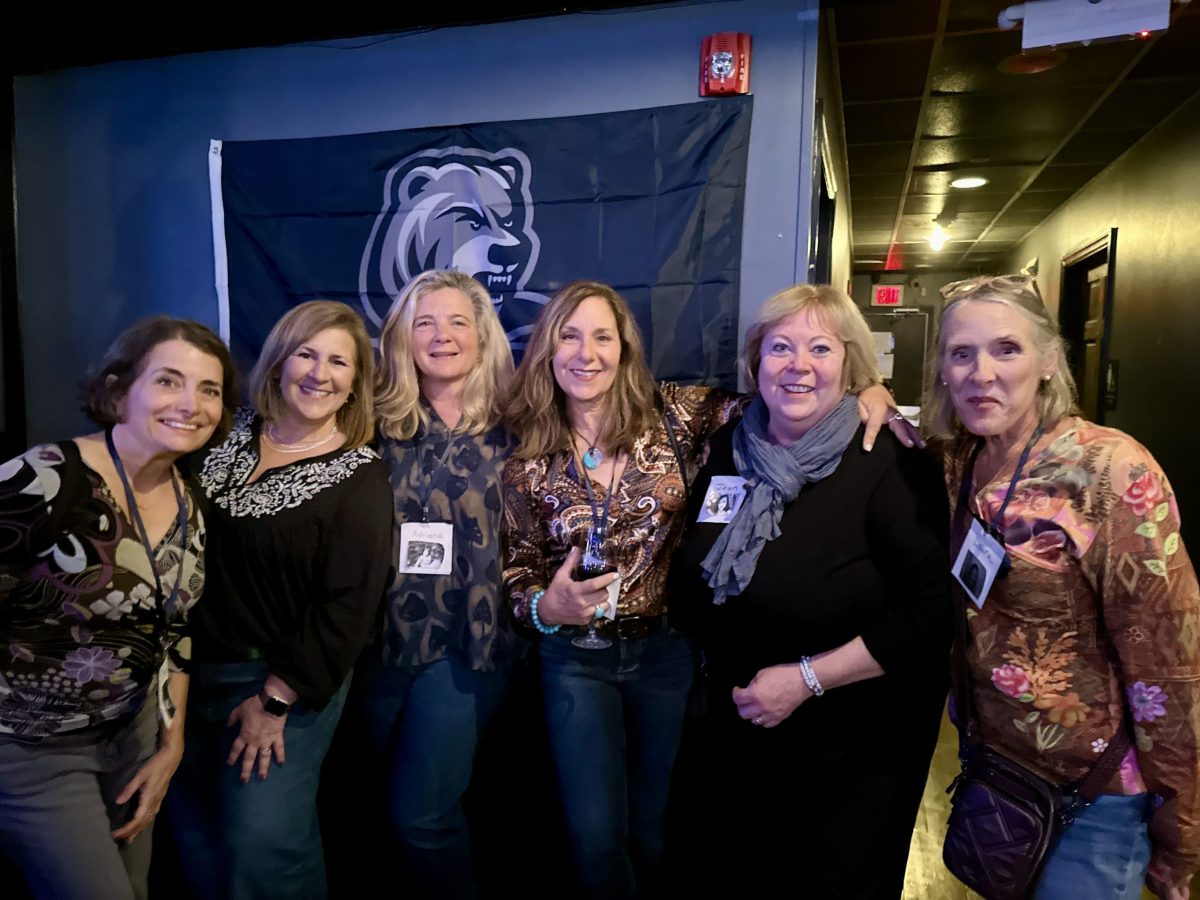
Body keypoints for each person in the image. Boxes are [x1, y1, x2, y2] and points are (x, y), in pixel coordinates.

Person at [500, 280, 906, 898]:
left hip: (667, 656)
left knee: (662, 828)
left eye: (602, 337)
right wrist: (543, 606)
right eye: (569, 336)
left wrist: (868, 388)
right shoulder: (526, 452)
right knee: (593, 835)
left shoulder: (675, 413)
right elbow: (517, 571)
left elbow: (785, 395)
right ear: (547, 351)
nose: (586, 354)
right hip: (574, 662)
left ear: (624, 348)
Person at [667, 283, 952, 898]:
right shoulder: (731, 447)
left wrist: (803, 680)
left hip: (850, 748)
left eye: (820, 348)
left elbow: (931, 613)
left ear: (850, 364)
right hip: (738, 732)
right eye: (780, 348)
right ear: (754, 362)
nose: (798, 366)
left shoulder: (890, 458)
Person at [931, 274, 1200, 900]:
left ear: (1050, 361)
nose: (982, 373)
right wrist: (867, 396)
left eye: (1007, 349)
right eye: (961, 353)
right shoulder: (954, 461)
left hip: (1095, 793)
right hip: (996, 770)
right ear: (941, 368)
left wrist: (1181, 827)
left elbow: (1171, 663)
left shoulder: (1108, 471)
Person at [0, 317, 236, 900]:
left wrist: (171, 741)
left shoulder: (189, 499)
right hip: (35, 750)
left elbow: (174, 630)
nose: (191, 404)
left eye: (209, 389)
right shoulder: (49, 478)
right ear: (118, 390)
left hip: (133, 743)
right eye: (168, 382)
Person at [168, 301, 392, 899]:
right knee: (195, 838)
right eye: (306, 354)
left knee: (264, 848)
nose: (319, 373)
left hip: (277, 682)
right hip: (182, 676)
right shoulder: (220, 434)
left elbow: (349, 607)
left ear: (355, 382)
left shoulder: (359, 476)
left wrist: (274, 700)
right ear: (278, 362)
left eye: (338, 362)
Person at [355, 270, 519, 900]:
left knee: (420, 816)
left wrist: (857, 390)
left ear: (482, 337)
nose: (441, 336)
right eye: (425, 322)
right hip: (377, 643)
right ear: (402, 337)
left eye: (457, 322)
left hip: (471, 645)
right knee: (372, 806)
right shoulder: (367, 420)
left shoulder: (522, 422)